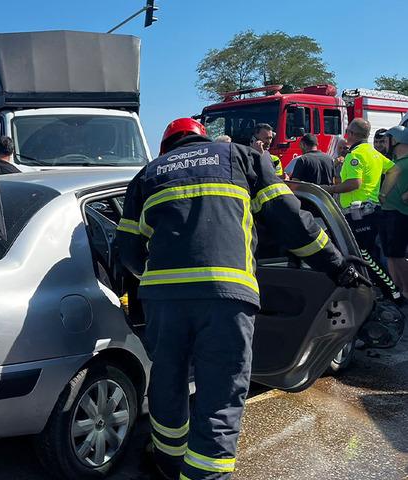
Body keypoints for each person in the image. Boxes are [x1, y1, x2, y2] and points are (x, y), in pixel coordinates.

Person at [115, 118, 364, 480]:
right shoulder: (241, 157)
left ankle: (168, 462)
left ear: (167, 147)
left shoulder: (148, 174)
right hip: (226, 295)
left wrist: (153, 277)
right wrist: (336, 265)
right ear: (203, 139)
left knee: (167, 382)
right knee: (220, 393)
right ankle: (206, 475)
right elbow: (292, 223)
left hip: (163, 300)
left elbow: (128, 250)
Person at [322, 118, 394, 254]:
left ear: (352, 133)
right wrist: (383, 193)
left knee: (362, 255)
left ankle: (369, 276)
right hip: (372, 210)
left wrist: (330, 189)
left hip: (357, 213)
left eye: (347, 132)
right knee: (371, 254)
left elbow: (355, 183)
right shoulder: (374, 153)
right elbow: (394, 170)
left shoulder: (355, 155)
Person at [378, 126, 408, 296]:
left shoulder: (404, 164)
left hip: (400, 215)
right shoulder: (396, 163)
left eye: (385, 139)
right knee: (391, 255)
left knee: (397, 255)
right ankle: (396, 290)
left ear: (395, 140)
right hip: (389, 214)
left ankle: (406, 291)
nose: (383, 143)